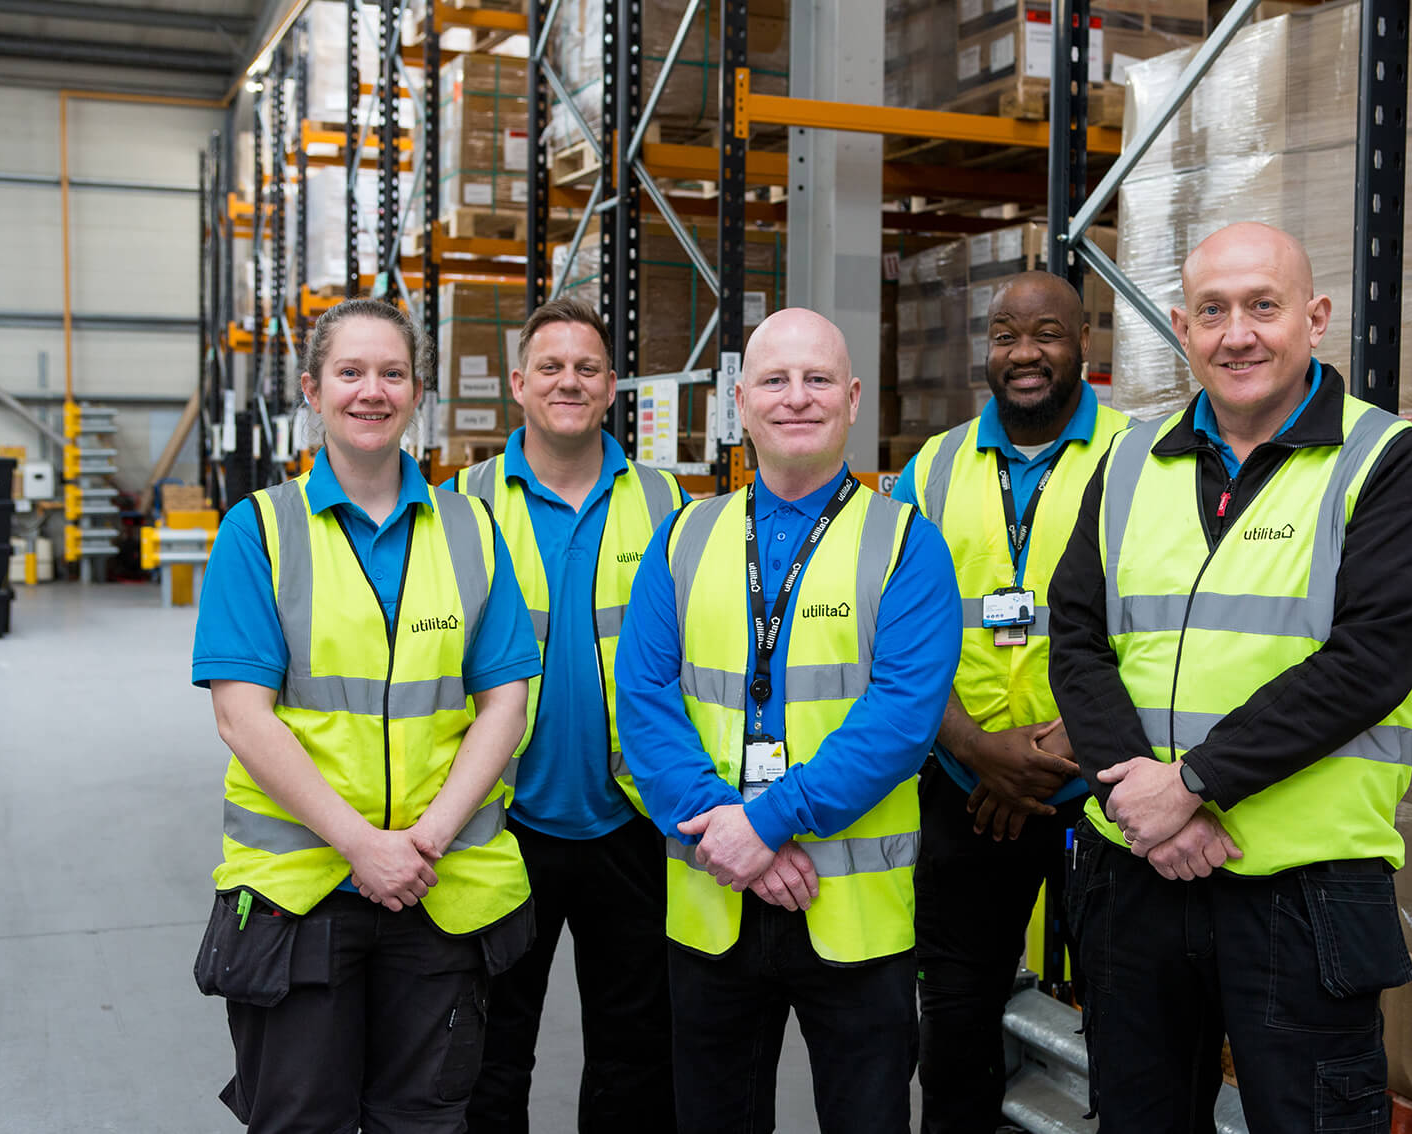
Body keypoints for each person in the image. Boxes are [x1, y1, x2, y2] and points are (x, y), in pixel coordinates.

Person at [1048, 223, 1412, 1133]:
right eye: (1213, 311)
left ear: (1315, 318)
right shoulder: (1126, 464)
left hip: (1301, 890)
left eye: (1263, 307)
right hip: (1136, 874)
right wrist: (1139, 801)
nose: (1239, 333)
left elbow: (1369, 659)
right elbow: (1075, 637)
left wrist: (1193, 783)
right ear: (1185, 330)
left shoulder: (1384, 463)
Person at [190, 297, 542, 1133]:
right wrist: (362, 847)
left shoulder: (472, 528)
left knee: (425, 1122)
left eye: (391, 373)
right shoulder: (260, 531)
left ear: (418, 390)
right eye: (350, 372)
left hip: (438, 890)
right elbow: (244, 716)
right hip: (301, 900)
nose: (371, 391)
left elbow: (505, 699)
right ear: (313, 389)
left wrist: (422, 844)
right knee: (300, 1119)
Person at [614, 307, 962, 1134]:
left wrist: (766, 822)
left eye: (816, 381)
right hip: (714, 899)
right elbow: (645, 703)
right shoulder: (682, 539)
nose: (795, 398)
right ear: (741, 401)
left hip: (855, 915)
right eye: (775, 380)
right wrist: (733, 837)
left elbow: (900, 721)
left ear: (851, 401)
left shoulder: (906, 544)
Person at [891, 270, 1128, 1133]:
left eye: (1047, 334)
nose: (1024, 353)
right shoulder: (936, 465)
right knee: (954, 1014)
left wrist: (1062, 749)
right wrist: (978, 749)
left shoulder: (1139, 456)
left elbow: (1157, 624)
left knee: (1125, 1014)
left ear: (1084, 347)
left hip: (1106, 791)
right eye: (1004, 335)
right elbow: (895, 629)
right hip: (965, 785)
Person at [454, 297, 685, 1133]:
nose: (568, 381)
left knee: (635, 1051)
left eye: (586, 368)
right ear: (518, 383)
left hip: (631, 817)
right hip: (499, 819)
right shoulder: (464, 504)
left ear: (613, 387)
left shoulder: (667, 504)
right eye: (549, 367)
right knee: (487, 1045)